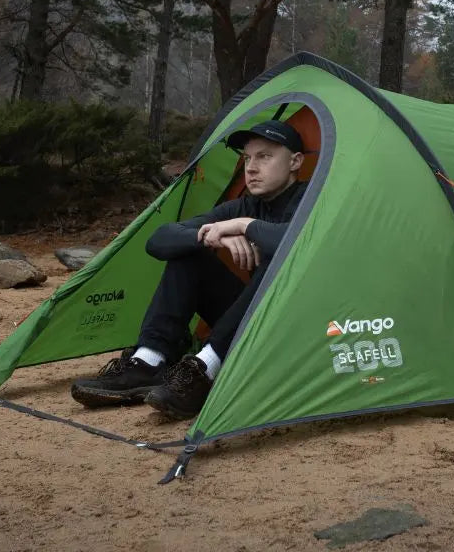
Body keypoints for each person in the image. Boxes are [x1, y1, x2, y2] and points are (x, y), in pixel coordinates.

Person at [70, 119, 307, 420]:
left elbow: (297, 242)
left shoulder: (314, 197)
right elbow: (158, 241)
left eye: (264, 156)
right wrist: (207, 235)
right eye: (247, 158)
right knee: (188, 253)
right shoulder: (244, 204)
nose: (251, 167)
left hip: (298, 328)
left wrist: (243, 226)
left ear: (295, 161)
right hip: (247, 325)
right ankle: (150, 361)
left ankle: (204, 370)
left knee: (277, 262)